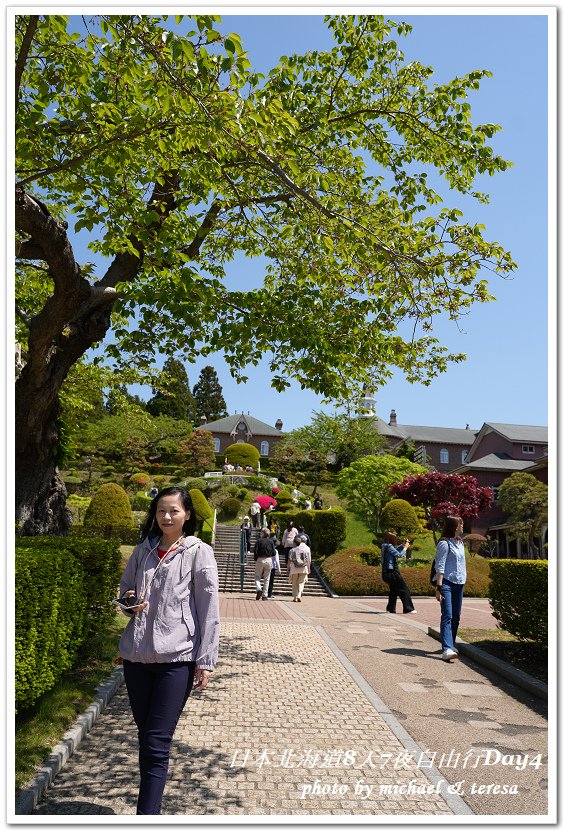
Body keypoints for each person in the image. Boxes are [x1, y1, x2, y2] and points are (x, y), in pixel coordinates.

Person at [116, 486, 220, 815]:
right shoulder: (142, 551)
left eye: (174, 510)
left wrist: (206, 660)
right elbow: (124, 593)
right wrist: (130, 603)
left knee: (157, 744)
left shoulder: (197, 552)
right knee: (146, 739)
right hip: (136, 659)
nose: (166, 516)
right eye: (161, 510)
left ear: (187, 514)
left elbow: (209, 609)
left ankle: (146, 816)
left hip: (176, 661)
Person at [434, 515, 466, 661]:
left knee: (456, 617)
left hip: (459, 584)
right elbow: (439, 566)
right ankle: (446, 648)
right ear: (454, 526)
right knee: (447, 615)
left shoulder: (460, 543)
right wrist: (438, 587)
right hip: (446, 583)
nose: (462, 526)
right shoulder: (444, 543)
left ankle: (451, 645)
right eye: (460, 524)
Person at [381, 532, 416, 615]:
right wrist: (405, 548)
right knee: (404, 589)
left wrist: (402, 545)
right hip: (393, 572)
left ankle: (390, 609)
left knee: (394, 590)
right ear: (392, 539)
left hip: (386, 572)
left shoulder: (384, 546)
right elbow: (399, 555)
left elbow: (394, 550)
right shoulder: (389, 546)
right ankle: (408, 608)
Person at [254, 528, 277, 600]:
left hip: (260, 559)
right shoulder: (271, 542)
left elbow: (255, 552)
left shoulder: (258, 541)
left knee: (257, 577)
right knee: (267, 578)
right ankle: (264, 595)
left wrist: (256, 559)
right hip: (269, 559)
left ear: (263, 533)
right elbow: (274, 552)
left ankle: (259, 588)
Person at [288, 535, 311, 602]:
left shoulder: (292, 550)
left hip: (294, 568)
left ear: (295, 543)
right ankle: (299, 595)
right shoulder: (305, 549)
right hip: (303, 568)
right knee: (301, 583)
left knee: (294, 582)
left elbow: (289, 560)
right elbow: (308, 560)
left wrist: (288, 569)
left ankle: (295, 597)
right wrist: (309, 568)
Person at [267, 531, 281, 598]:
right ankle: (269, 594)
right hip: (272, 567)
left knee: (266, 580)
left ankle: (265, 593)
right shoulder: (276, 551)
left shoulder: (267, 549)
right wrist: (279, 569)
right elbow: (277, 561)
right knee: (271, 581)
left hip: (266, 566)